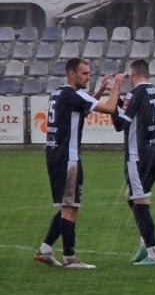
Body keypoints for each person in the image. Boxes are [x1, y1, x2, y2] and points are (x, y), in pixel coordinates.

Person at [34, 58, 125, 269]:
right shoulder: (72, 94)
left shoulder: (59, 92)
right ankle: (70, 258)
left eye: (89, 73)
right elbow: (110, 108)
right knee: (70, 208)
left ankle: (45, 250)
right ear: (72, 74)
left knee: (67, 206)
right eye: (84, 73)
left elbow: (83, 109)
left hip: (55, 155)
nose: (88, 77)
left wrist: (99, 91)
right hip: (68, 157)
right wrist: (117, 85)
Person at [111, 59, 155, 266]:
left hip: (138, 155)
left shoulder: (135, 93)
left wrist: (114, 95)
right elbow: (133, 111)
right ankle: (145, 242)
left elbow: (119, 124)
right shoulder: (154, 91)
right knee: (132, 196)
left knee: (140, 202)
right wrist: (119, 102)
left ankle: (152, 253)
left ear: (132, 76)